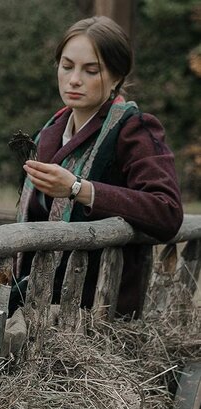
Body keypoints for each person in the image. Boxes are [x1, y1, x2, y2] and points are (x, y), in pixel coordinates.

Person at [10, 16, 183, 317]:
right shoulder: (48, 132)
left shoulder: (133, 129)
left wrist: (79, 189)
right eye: (67, 66)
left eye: (91, 70)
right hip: (31, 285)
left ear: (116, 77)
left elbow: (167, 211)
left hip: (91, 304)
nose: (74, 79)